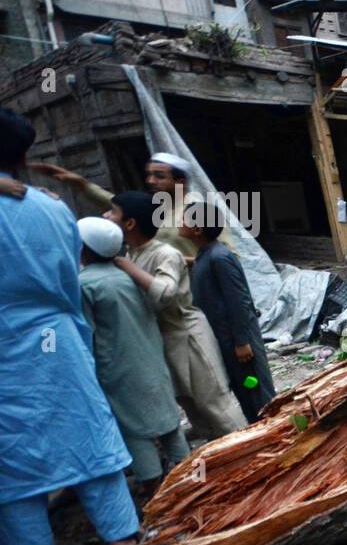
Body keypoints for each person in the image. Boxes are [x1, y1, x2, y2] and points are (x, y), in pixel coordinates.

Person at [0, 111, 141, 545]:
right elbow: (69, 277)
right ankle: (122, 536)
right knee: (86, 432)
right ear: (22, 157)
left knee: (12, 460)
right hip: (58, 337)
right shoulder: (53, 208)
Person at [106, 190, 247, 439]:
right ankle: (219, 457)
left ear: (129, 223)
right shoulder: (133, 253)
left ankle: (251, 453)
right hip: (163, 339)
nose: (106, 215)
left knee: (214, 402)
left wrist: (125, 266)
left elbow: (165, 293)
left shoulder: (164, 254)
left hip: (188, 336)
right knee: (190, 405)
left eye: (112, 211)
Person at [77, 216, 189, 496]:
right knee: (169, 425)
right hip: (152, 361)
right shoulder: (131, 274)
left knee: (136, 433)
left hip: (117, 369)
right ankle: (193, 482)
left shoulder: (84, 285)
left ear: (85, 249)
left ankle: (157, 497)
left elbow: (86, 335)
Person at [181, 215, 277, 423]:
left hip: (237, 339)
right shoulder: (206, 255)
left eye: (184, 220)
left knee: (256, 391)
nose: (179, 223)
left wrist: (242, 341)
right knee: (242, 390)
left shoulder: (220, 257)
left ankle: (275, 432)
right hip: (224, 337)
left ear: (197, 229)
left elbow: (239, 301)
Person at [33, 151, 205, 257]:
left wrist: (176, 260)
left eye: (159, 176)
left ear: (180, 182)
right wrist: (81, 183)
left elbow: (228, 256)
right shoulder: (156, 204)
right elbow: (120, 205)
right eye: (149, 175)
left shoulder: (198, 210)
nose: (150, 181)